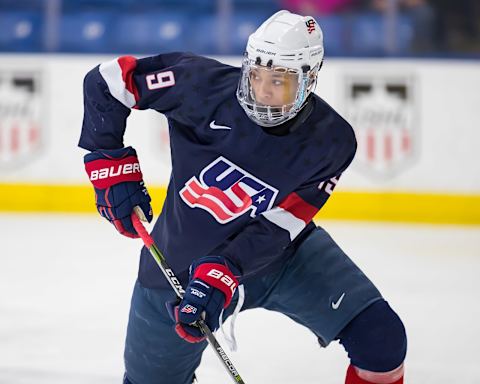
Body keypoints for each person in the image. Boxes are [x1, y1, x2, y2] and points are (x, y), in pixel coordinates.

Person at [79, 10, 407, 384]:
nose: (263, 89)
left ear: (308, 80)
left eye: (279, 80)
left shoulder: (331, 140)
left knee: (382, 340)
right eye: (257, 74)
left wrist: (227, 267)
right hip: (177, 266)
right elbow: (108, 80)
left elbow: (286, 220)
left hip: (282, 260)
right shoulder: (199, 85)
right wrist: (108, 162)